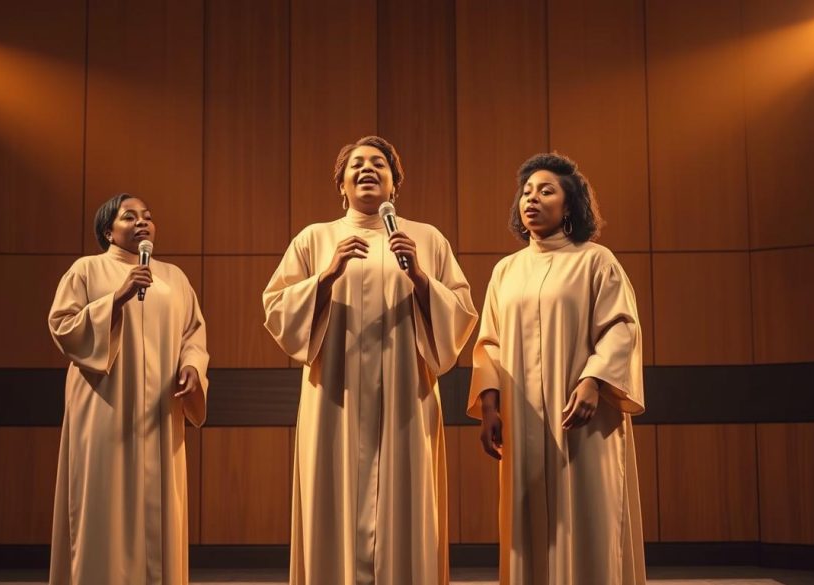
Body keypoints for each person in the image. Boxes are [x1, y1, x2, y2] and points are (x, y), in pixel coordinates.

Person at [263, 136, 478, 584]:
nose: (366, 169)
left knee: (406, 498)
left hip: (406, 394)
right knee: (332, 495)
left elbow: (460, 312)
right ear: (340, 184)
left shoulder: (426, 238)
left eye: (378, 164)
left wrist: (420, 277)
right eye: (356, 164)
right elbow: (277, 309)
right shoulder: (315, 238)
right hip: (333, 397)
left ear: (394, 184)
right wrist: (325, 277)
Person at [468, 153, 647, 585]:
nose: (532, 198)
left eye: (546, 191)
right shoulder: (505, 270)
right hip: (522, 418)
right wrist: (490, 405)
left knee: (587, 514)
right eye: (526, 192)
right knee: (528, 523)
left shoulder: (595, 260)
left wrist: (593, 380)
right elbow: (488, 341)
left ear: (569, 206)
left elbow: (622, 327)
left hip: (582, 415)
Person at [47, 193, 209, 585]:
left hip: (159, 410)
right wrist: (116, 299)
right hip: (105, 405)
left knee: (159, 507)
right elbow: (62, 326)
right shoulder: (87, 270)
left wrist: (191, 367)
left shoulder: (173, 277)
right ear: (108, 231)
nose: (143, 223)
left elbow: (194, 334)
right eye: (130, 217)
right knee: (105, 502)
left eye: (148, 217)